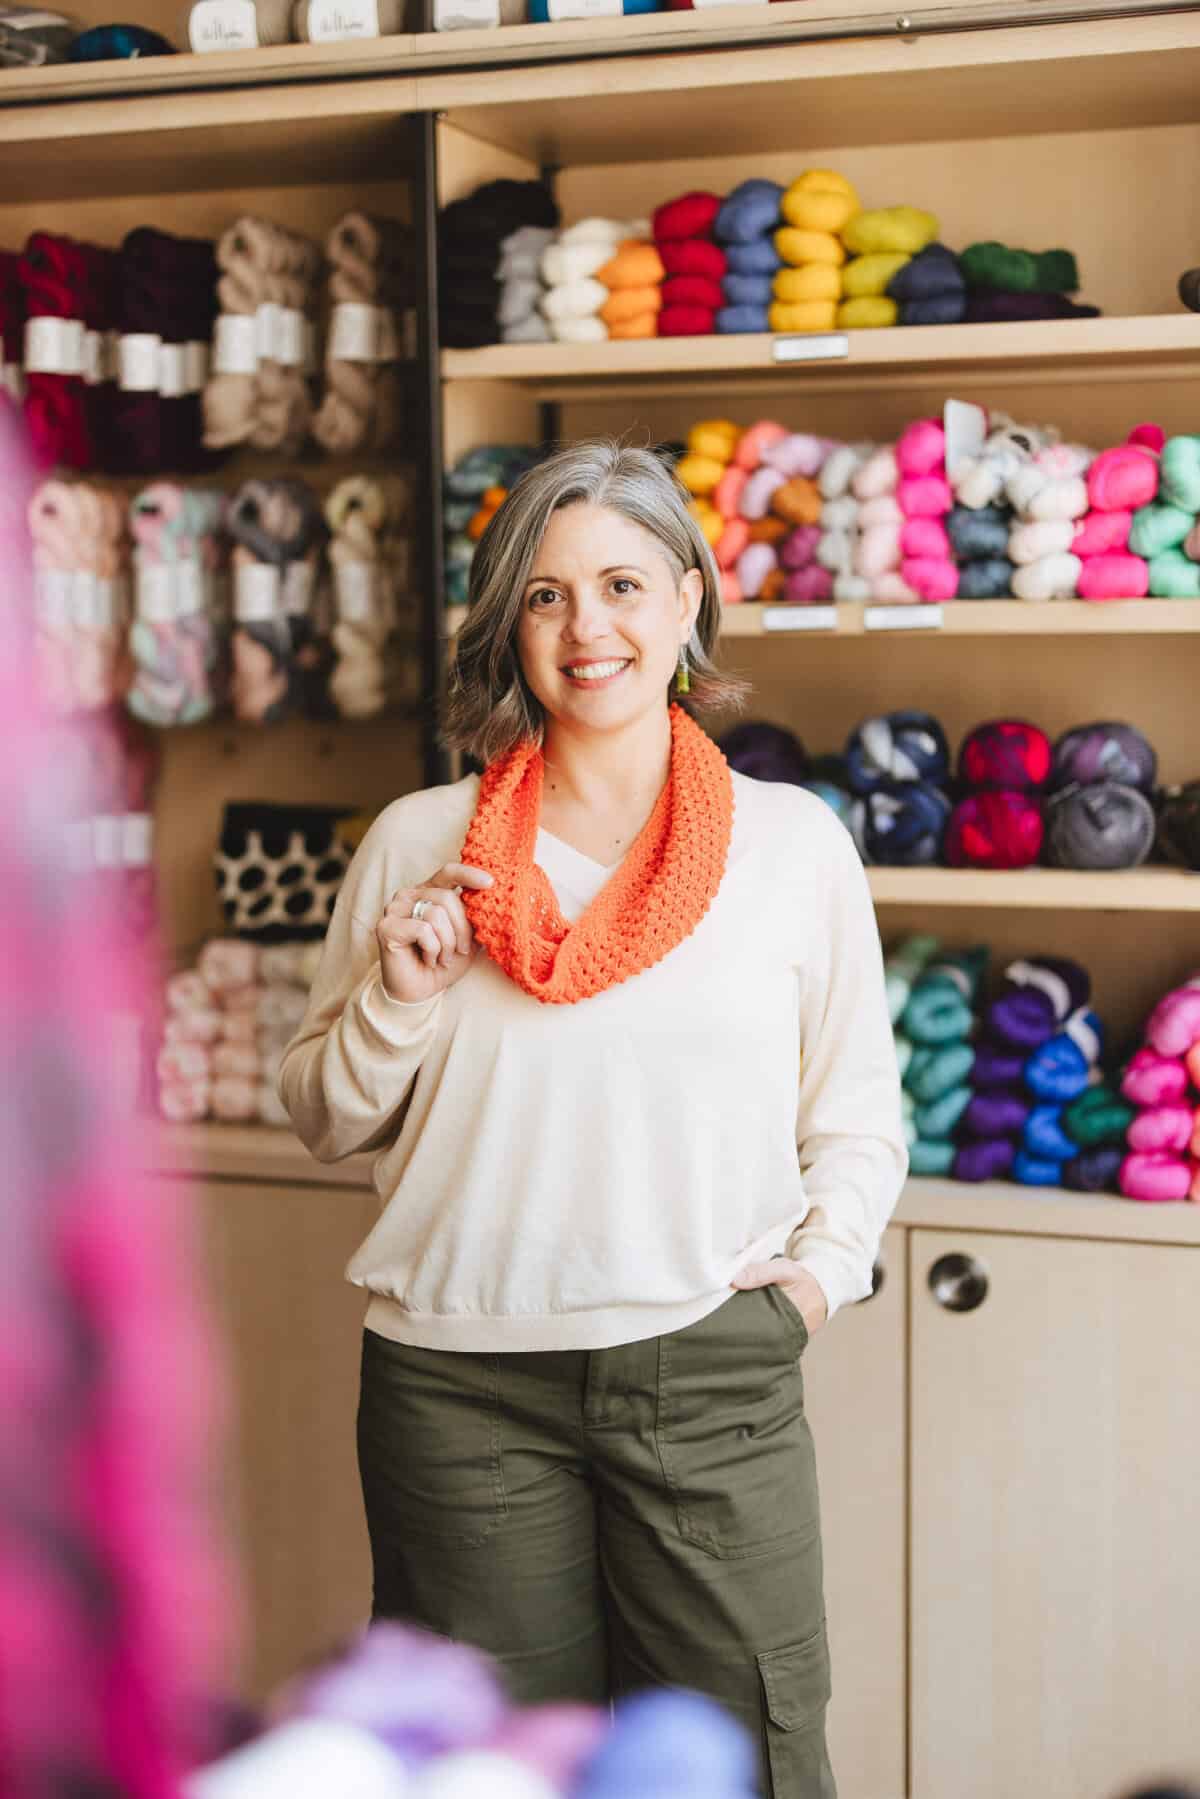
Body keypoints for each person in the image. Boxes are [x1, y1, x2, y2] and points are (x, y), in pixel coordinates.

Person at [279, 439, 907, 1799]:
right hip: (459, 1391)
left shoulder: (790, 845)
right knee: (493, 1776)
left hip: (711, 1371)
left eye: (622, 583)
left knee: (749, 1759)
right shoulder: (418, 843)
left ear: (688, 601)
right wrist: (397, 997)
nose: (587, 627)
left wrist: (814, 1279)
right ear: (510, 621)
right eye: (547, 595)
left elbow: (858, 1111)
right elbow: (325, 1117)